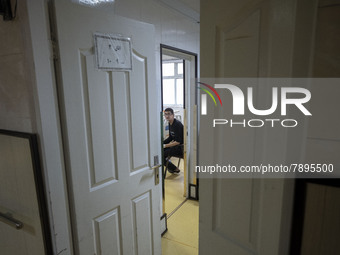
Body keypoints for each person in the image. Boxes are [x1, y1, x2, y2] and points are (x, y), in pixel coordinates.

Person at [163, 108, 183, 174]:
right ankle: (173, 168)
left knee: (162, 155)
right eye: (165, 114)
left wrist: (165, 145)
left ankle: (174, 168)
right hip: (176, 146)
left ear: (173, 115)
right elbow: (171, 137)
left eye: (169, 114)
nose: (167, 116)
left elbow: (178, 141)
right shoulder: (170, 123)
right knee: (161, 152)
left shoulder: (177, 124)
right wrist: (162, 143)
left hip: (181, 148)